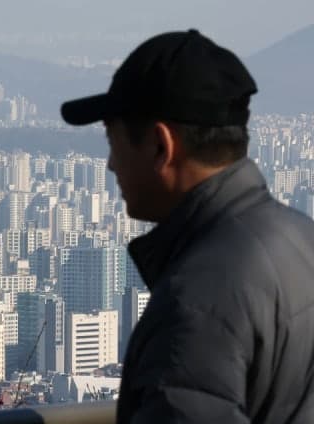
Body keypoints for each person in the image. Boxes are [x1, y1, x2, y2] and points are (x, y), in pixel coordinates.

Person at [61, 29, 314, 423]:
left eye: (113, 143)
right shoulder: (301, 237)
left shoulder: (198, 299)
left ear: (162, 147)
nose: (110, 164)